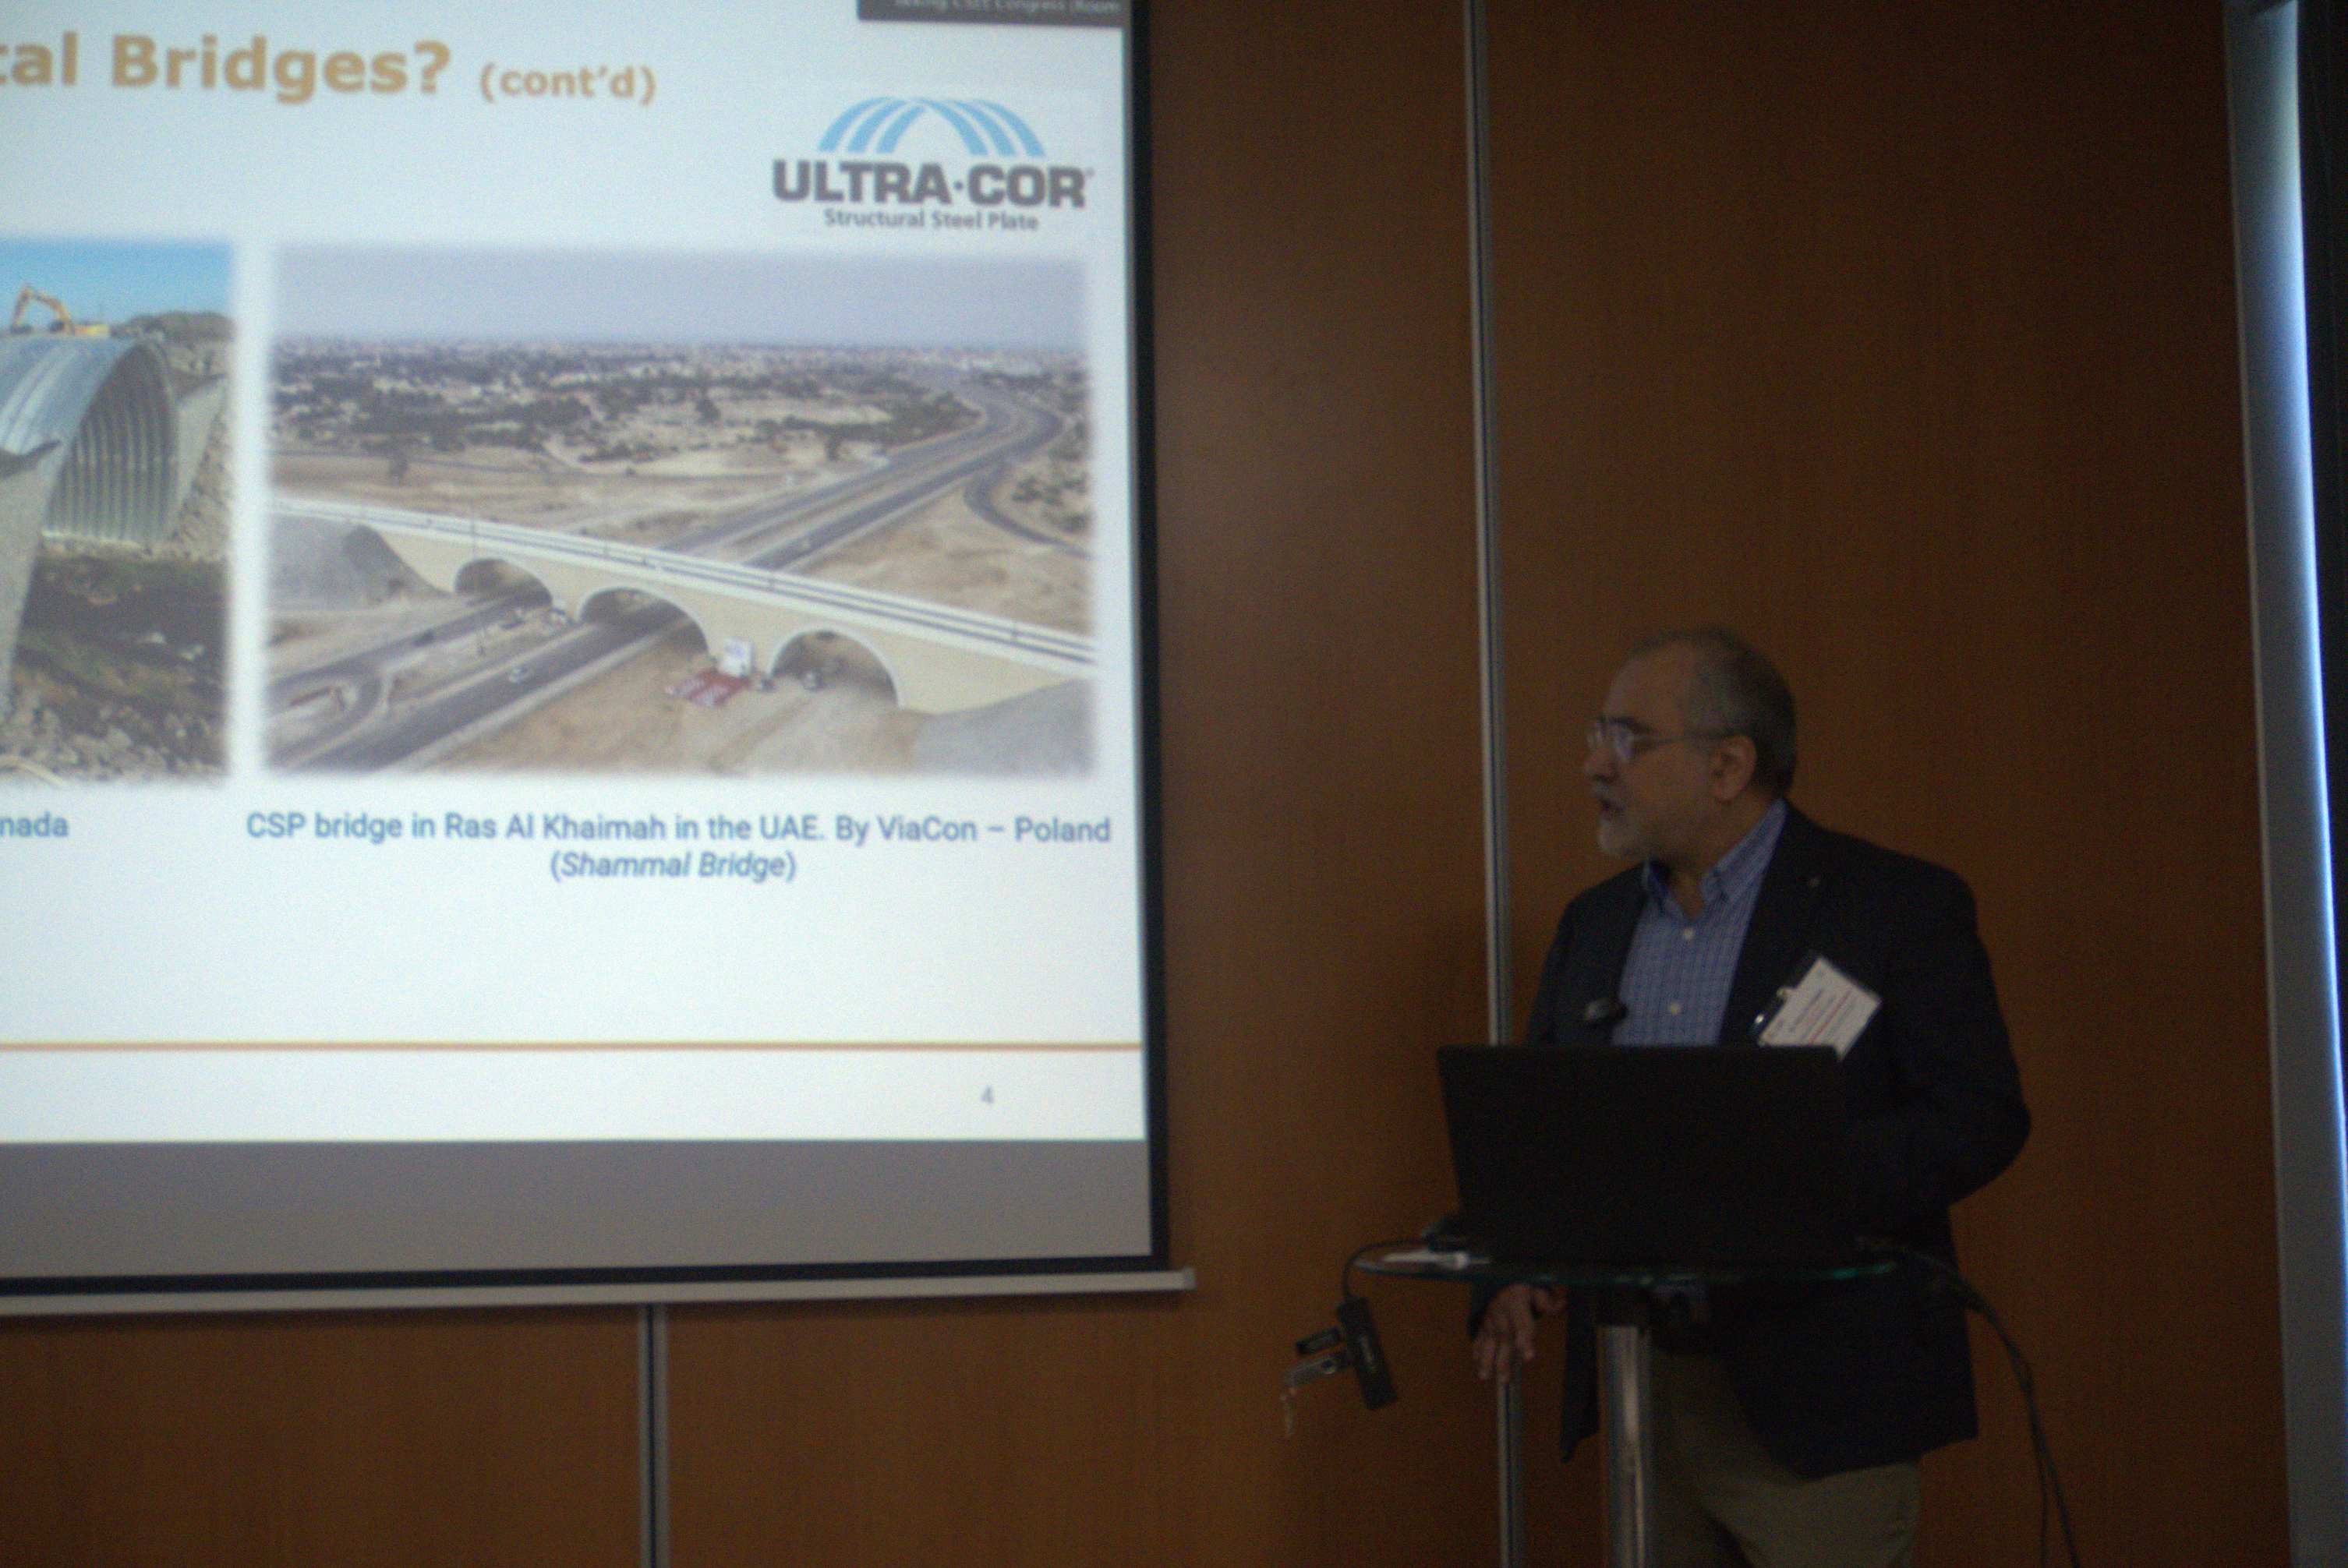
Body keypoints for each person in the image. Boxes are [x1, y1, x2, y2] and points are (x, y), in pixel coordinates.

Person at [1473, 627, 2029, 1568]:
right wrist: (1516, 1264)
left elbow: (1980, 1117)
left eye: (1626, 738)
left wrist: (1789, 1181)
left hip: (1822, 1401)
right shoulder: (1595, 924)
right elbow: (1543, 1136)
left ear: (1729, 765)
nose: (1594, 764)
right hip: (1645, 1390)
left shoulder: (1889, 908)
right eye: (1596, 734)